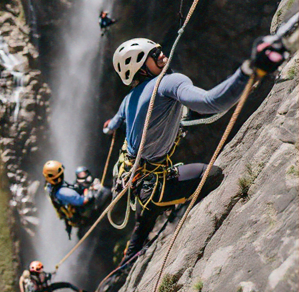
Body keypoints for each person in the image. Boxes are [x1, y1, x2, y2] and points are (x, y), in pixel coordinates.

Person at [103, 35, 287, 267]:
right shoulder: (168, 82)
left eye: (158, 49)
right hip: (155, 185)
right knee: (211, 175)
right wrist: (250, 71)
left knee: (147, 213)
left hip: (135, 180)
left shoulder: (127, 99)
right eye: (153, 54)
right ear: (140, 67)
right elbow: (211, 102)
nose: (161, 53)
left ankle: (128, 259)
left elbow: (116, 122)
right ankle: (169, 208)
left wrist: (108, 127)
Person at [42, 160, 111, 237]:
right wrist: (91, 190)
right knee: (105, 193)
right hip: (82, 215)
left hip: (73, 216)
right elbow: (83, 201)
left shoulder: (49, 187)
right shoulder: (64, 192)